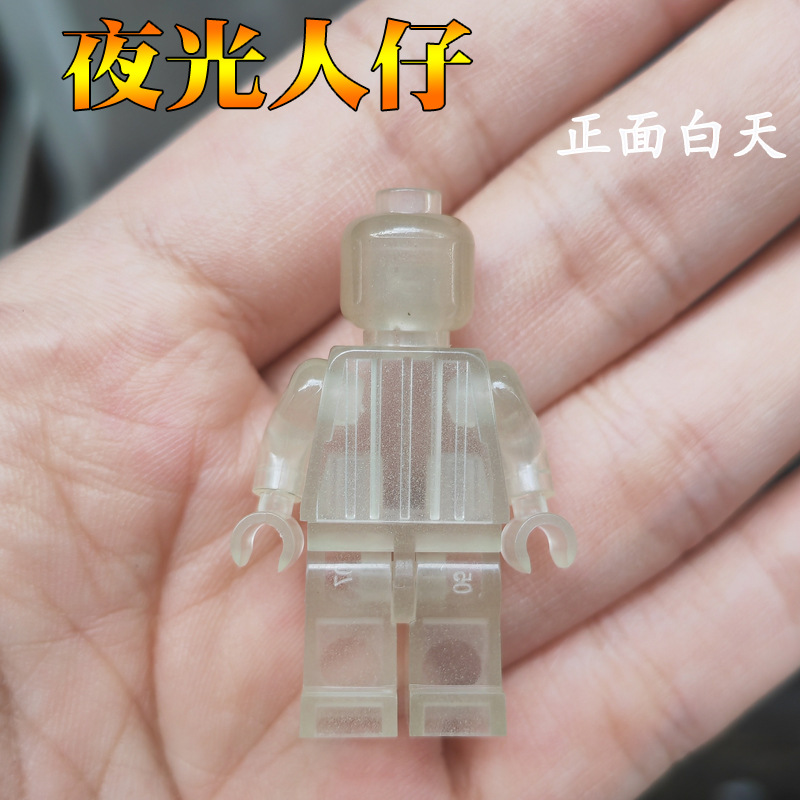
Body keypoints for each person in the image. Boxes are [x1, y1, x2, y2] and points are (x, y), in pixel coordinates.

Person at [0, 0, 797, 796]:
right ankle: (352, 703)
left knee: (456, 637)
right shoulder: (340, 376)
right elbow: (295, 435)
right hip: (353, 532)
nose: (409, 295)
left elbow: (513, 435)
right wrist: (273, 504)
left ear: (450, 285)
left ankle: (455, 700)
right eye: (393, 277)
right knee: (351, 636)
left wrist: (531, 507)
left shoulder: (471, 377)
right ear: (364, 283)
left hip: (455, 533)